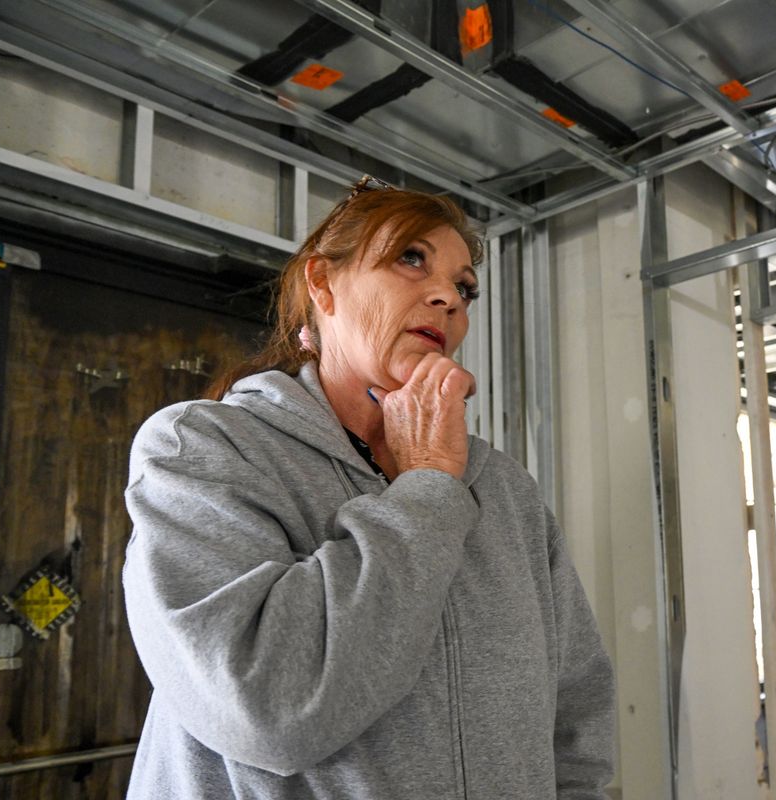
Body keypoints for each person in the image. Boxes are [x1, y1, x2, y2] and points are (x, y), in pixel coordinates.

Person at [122, 177, 615, 799]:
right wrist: (428, 486)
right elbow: (268, 708)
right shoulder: (202, 448)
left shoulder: (506, 491)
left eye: (465, 287)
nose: (449, 299)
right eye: (411, 258)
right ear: (322, 284)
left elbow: (575, 712)